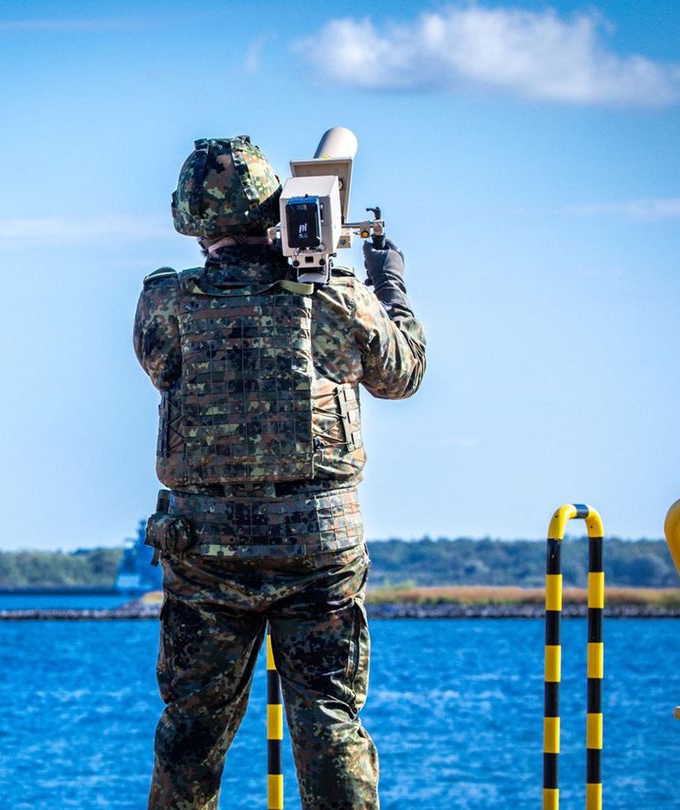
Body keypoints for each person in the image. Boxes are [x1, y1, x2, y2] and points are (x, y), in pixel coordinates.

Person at [134, 136, 426, 809]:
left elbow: (159, 365)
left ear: (192, 222)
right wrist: (388, 284)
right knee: (328, 721)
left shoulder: (166, 304)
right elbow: (402, 372)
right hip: (317, 548)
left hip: (206, 552)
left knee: (192, 729)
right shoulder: (330, 298)